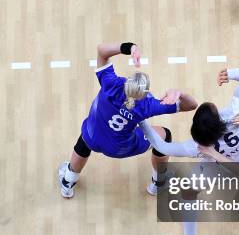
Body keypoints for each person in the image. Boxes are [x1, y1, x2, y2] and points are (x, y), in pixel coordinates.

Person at [139, 68, 239, 235]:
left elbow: (161, 145)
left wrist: (141, 120)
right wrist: (230, 73)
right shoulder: (234, 112)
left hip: (227, 170)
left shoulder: (196, 146)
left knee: (188, 191)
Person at [58, 41, 197, 198]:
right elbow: (192, 105)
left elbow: (102, 50)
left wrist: (131, 48)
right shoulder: (147, 105)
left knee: (84, 139)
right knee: (165, 134)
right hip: (119, 148)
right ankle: (158, 183)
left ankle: (67, 183)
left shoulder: (111, 84)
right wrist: (179, 94)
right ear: (144, 93)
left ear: (128, 81)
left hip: (94, 134)